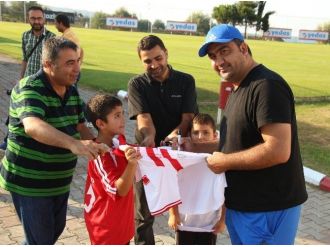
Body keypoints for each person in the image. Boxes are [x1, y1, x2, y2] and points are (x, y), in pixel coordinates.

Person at [197, 24, 308, 244]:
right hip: (244, 207)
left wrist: (225, 161)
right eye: (212, 56)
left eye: (225, 51)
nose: (219, 61)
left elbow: (277, 151)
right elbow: (240, 140)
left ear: (244, 48)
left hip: (268, 207)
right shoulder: (239, 87)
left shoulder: (266, 86)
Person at [0, 37, 107, 244]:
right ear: (48, 64)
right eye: (70, 63)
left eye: (78, 61)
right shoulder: (29, 87)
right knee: (41, 240)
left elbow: (80, 126)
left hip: (59, 182)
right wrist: (74, 144)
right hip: (30, 182)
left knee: (51, 233)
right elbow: (33, 125)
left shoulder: (72, 91)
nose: (77, 69)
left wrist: (100, 147)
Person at [128, 35, 198, 244]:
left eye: (158, 58)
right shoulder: (137, 84)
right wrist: (149, 138)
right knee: (143, 214)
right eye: (148, 61)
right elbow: (144, 119)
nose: (154, 64)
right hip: (148, 156)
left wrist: (173, 136)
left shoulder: (186, 81)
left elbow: (188, 118)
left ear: (166, 53)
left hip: (178, 154)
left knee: (185, 211)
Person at [84, 94, 141, 244]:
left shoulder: (119, 141)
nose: (123, 120)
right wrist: (131, 164)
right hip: (106, 230)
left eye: (122, 114)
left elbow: (143, 153)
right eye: (117, 116)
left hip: (122, 225)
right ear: (101, 124)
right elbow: (119, 190)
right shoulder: (99, 155)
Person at [0, 6, 55, 150]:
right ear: (28, 19)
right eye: (33, 18)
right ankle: (10, 140)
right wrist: (20, 78)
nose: (36, 21)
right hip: (27, 82)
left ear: (44, 19)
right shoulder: (25, 35)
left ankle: (40, 143)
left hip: (45, 83)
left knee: (41, 114)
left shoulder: (53, 38)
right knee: (19, 111)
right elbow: (25, 58)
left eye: (39, 18)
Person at [168, 113, 226, 245]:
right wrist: (173, 213)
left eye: (206, 132)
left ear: (215, 135)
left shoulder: (220, 160)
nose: (201, 137)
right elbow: (172, 185)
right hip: (184, 221)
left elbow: (225, 191)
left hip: (210, 223)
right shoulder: (181, 158)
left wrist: (223, 220)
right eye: (196, 132)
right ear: (190, 135)